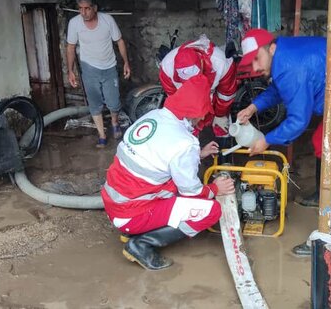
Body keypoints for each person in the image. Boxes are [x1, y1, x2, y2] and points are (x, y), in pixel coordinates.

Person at [236, 29, 331, 256]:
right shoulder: (282, 55)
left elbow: (297, 121)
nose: (255, 68)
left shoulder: (290, 66)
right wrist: (253, 106)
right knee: (320, 142)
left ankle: (328, 236)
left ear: (272, 48)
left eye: (257, 59)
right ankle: (322, 194)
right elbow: (279, 89)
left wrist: (267, 141)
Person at [101, 75, 236, 271]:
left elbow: (160, 154)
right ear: (196, 112)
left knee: (173, 185)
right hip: (131, 213)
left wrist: (199, 153)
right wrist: (216, 188)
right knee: (212, 210)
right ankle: (141, 244)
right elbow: (193, 192)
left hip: (115, 203)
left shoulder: (154, 116)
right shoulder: (184, 143)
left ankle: (133, 232)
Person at [66, 0, 131, 148]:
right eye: (80, 9)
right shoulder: (74, 24)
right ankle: (101, 134)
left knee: (113, 102)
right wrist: (70, 70)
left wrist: (126, 63)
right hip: (89, 68)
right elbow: (70, 47)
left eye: (87, 9)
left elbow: (119, 41)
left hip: (109, 66)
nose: (83, 13)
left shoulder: (107, 20)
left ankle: (115, 123)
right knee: (94, 104)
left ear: (94, 8)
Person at [159, 35, 237, 138]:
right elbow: (175, 99)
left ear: (201, 63)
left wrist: (220, 115)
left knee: (221, 129)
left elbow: (226, 94)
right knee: (187, 134)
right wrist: (188, 118)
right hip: (188, 103)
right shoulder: (166, 68)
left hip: (213, 97)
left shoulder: (221, 62)